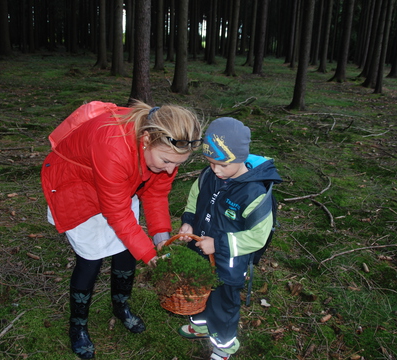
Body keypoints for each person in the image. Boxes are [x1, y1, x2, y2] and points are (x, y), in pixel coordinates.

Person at [41, 100, 202, 359]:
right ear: (147, 139)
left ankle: (121, 305)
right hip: (78, 187)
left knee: (128, 248)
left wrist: (161, 239)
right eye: (166, 161)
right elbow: (117, 213)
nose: (171, 169)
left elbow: (157, 193)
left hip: (120, 183)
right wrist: (150, 256)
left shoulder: (162, 152)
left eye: (177, 164)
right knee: (91, 259)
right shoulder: (113, 144)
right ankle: (78, 325)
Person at [176, 117, 282, 360]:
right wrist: (188, 221)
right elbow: (195, 198)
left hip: (229, 264)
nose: (216, 170)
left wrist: (219, 244)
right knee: (198, 289)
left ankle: (224, 346)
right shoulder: (208, 176)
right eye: (211, 163)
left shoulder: (254, 192)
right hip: (199, 250)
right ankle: (200, 324)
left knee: (223, 305)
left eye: (222, 164)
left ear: (240, 157)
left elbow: (257, 237)